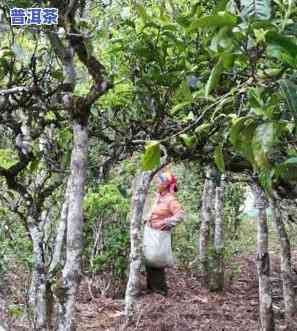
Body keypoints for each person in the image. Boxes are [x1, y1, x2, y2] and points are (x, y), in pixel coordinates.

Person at [144, 168, 184, 295]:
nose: (157, 184)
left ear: (165, 185)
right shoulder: (158, 197)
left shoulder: (170, 200)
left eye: (159, 182)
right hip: (151, 233)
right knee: (149, 260)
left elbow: (180, 215)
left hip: (159, 235)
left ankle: (160, 292)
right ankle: (152, 290)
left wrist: (165, 223)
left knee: (156, 262)